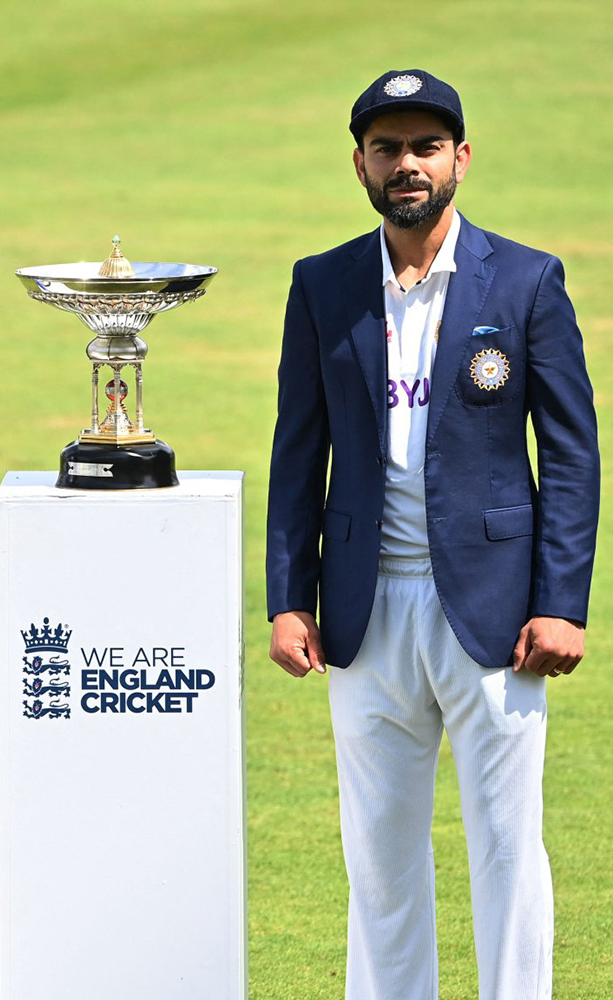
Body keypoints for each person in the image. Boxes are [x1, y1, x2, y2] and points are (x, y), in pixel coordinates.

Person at [266, 69, 597, 1000]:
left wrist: (562, 604)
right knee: (378, 859)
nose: (406, 164)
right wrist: (289, 596)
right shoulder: (323, 283)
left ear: (461, 158)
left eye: (425, 146)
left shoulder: (527, 279)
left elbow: (571, 454)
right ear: (360, 164)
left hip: (496, 613)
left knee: (507, 849)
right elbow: (299, 450)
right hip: (364, 610)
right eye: (387, 149)